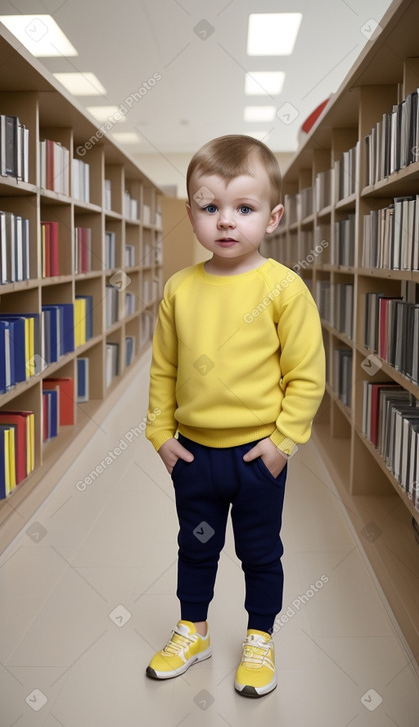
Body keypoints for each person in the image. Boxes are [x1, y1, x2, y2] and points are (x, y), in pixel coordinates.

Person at [144, 134, 325, 697]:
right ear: (192, 215)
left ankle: (259, 635)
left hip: (256, 458)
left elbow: (306, 375)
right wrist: (160, 434)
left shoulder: (284, 289)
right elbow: (164, 369)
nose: (226, 222)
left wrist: (283, 444)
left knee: (260, 551)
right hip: (193, 457)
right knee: (195, 544)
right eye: (210, 207)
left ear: (272, 217)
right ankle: (193, 630)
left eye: (243, 209)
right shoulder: (179, 289)